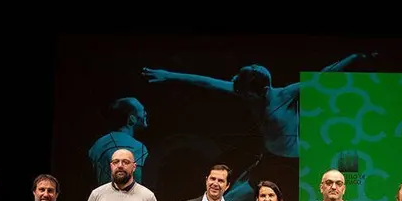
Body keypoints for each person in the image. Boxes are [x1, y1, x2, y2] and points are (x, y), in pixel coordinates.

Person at [141, 53, 375, 160]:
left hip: (297, 154)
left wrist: (353, 57)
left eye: (243, 90)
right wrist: (168, 74)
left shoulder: (285, 95)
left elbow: (324, 76)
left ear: (260, 91)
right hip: (270, 154)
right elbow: (205, 82)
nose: (237, 92)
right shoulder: (246, 94)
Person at [88, 97, 149, 186]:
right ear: (132, 119)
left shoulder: (96, 146)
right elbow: (137, 186)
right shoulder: (138, 147)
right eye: (143, 110)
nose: (145, 113)